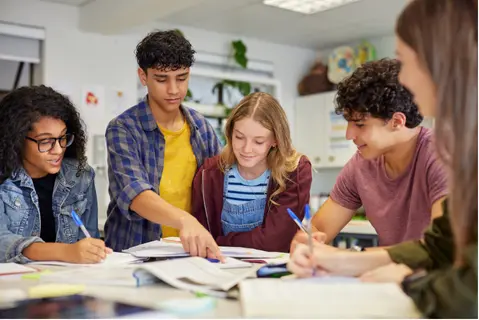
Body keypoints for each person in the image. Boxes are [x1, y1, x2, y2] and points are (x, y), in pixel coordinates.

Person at [288, 0, 477, 318]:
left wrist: (408, 281)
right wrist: (338, 259)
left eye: (404, 61)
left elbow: (468, 292)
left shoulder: (448, 154)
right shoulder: (462, 144)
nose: (403, 78)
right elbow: (439, 246)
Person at [291, 58, 447, 251]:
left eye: (360, 124)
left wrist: (349, 259)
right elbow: (318, 229)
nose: (349, 135)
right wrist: (305, 241)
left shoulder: (442, 156)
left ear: (397, 121)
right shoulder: (360, 166)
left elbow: (441, 247)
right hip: (389, 277)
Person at [104, 30, 223, 258]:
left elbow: (221, 185)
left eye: (182, 78)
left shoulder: (201, 127)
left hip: (189, 253)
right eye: (161, 79)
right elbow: (136, 195)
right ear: (143, 76)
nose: (174, 90)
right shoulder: (123, 128)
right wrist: (185, 220)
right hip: (135, 254)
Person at [0, 85, 110, 264]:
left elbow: (90, 236)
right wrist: (65, 252)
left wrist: (93, 250)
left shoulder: (80, 176)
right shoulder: (4, 181)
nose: (58, 150)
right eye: (46, 141)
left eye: (63, 138)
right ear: (17, 139)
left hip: (66, 283)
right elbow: (2, 241)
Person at [191, 92, 312, 252]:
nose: (247, 149)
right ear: (230, 133)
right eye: (239, 137)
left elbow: (274, 241)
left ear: (275, 140)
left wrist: (218, 242)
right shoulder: (209, 174)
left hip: (271, 272)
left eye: (258, 141)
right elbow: (201, 236)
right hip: (220, 271)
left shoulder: (294, 171)